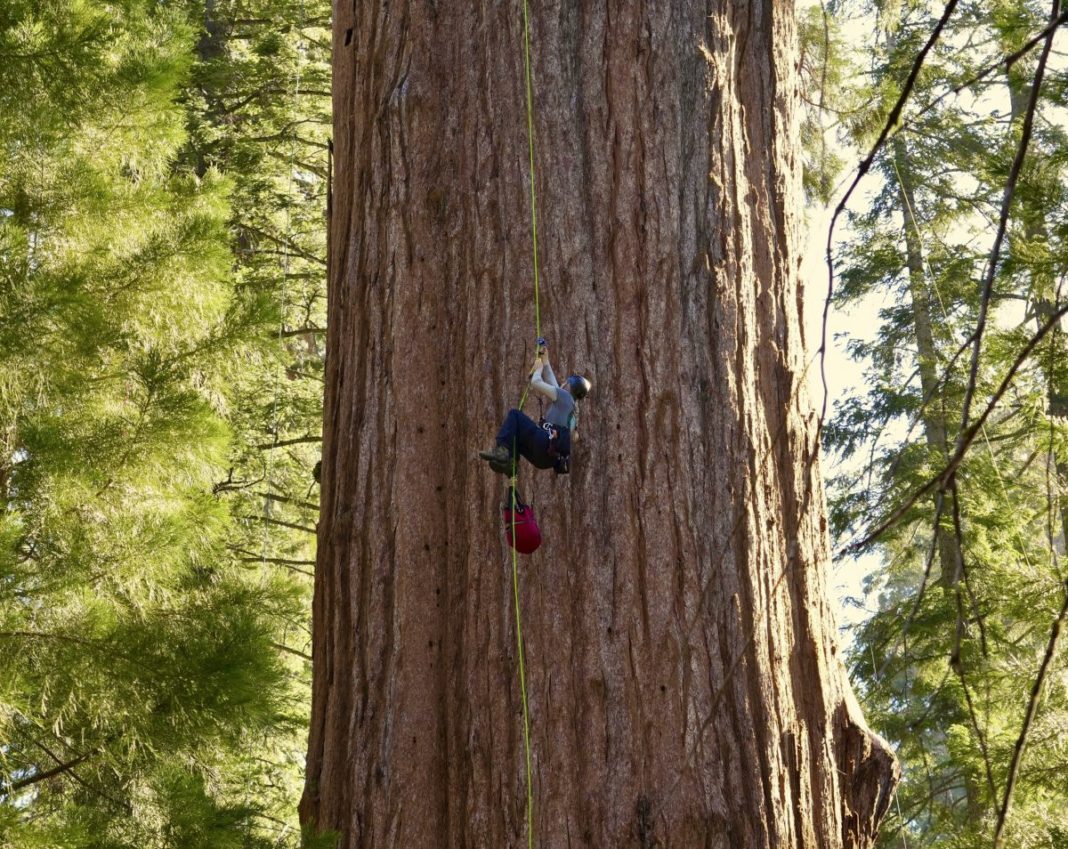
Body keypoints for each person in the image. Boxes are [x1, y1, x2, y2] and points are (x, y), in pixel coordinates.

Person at [479, 339, 591, 476]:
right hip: (546, 459)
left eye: (566, 383)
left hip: (543, 442)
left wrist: (538, 368)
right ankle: (510, 463)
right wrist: (545, 361)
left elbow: (536, 382)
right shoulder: (571, 409)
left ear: (570, 387)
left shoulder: (565, 398)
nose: (563, 383)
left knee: (515, 415)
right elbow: (554, 386)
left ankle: (502, 452)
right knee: (516, 436)